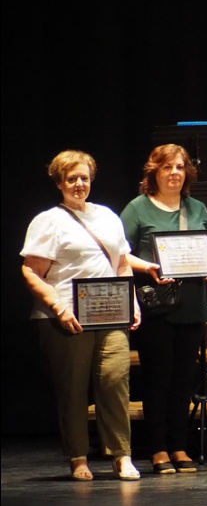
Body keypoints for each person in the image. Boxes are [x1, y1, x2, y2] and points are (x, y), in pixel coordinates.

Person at [20, 150, 141, 481]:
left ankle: (121, 454)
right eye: (72, 178)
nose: (79, 184)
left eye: (84, 178)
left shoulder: (107, 216)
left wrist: (132, 301)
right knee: (73, 389)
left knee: (115, 381)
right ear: (60, 182)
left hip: (110, 313)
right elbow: (31, 272)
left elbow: (122, 263)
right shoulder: (49, 220)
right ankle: (78, 457)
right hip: (65, 317)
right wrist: (58, 306)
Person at [121, 144, 207, 475]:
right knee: (157, 379)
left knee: (183, 382)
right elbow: (120, 255)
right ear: (154, 173)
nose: (174, 173)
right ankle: (158, 449)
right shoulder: (138, 208)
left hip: (192, 304)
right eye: (167, 168)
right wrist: (148, 266)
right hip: (157, 307)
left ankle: (179, 446)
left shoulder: (197, 207)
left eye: (179, 167)